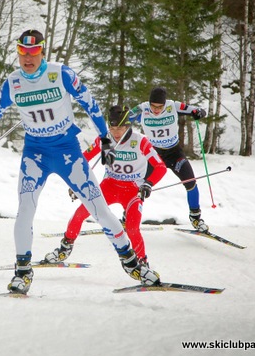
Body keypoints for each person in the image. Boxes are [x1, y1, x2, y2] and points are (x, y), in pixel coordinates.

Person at [0, 29, 160, 294]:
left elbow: (90, 103)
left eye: (33, 51)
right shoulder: (13, 82)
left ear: (42, 50)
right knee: (25, 210)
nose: (28, 57)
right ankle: (22, 272)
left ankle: (132, 262)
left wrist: (106, 140)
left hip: (67, 152)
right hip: (35, 154)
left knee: (100, 210)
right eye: (22, 51)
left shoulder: (60, 73)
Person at [44, 105, 167, 267]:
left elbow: (160, 167)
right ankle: (64, 248)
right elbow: (82, 159)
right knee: (80, 213)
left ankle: (142, 264)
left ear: (128, 126)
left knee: (132, 228)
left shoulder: (140, 141)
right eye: (112, 127)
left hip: (132, 190)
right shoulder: (105, 139)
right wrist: (76, 183)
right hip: (109, 186)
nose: (116, 132)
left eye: (121, 128)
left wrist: (148, 184)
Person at [128, 86, 209, 231]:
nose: (156, 110)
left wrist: (199, 112)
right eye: (153, 106)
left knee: (190, 182)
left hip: (174, 153)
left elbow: (194, 110)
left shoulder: (173, 106)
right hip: (154, 155)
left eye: (160, 106)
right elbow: (124, 119)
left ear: (165, 104)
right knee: (139, 186)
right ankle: (127, 218)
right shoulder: (142, 109)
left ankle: (195, 218)